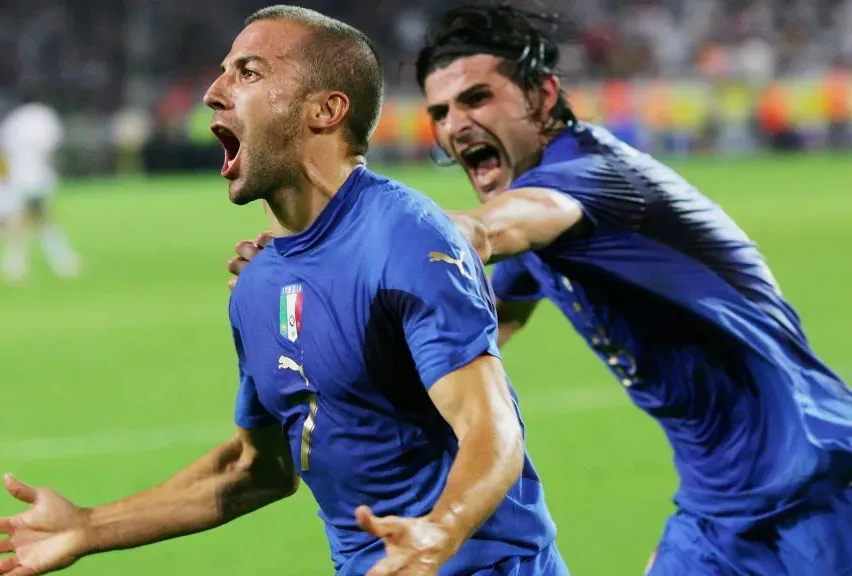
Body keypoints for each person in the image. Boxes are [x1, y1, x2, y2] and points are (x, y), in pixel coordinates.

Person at [228, 3, 852, 575]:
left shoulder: (594, 179)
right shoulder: (539, 222)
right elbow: (473, 322)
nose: (455, 125)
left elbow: (488, 229)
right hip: (717, 508)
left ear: (543, 96)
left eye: (478, 99)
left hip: (820, 480)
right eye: (441, 111)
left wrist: (331, 245)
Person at [0, 6, 566, 576]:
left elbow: (493, 430)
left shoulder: (404, 237)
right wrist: (89, 526)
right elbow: (255, 468)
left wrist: (442, 531)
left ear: (324, 111)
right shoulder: (257, 283)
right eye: (222, 73)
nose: (214, 93)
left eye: (247, 72)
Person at [0, 98, 82, 283]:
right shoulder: (44, 117)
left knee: (28, 218)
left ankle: (17, 262)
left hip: (18, 174)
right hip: (37, 174)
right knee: (38, 217)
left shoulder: (14, 119)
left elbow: (2, 147)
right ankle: (58, 260)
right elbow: (52, 147)